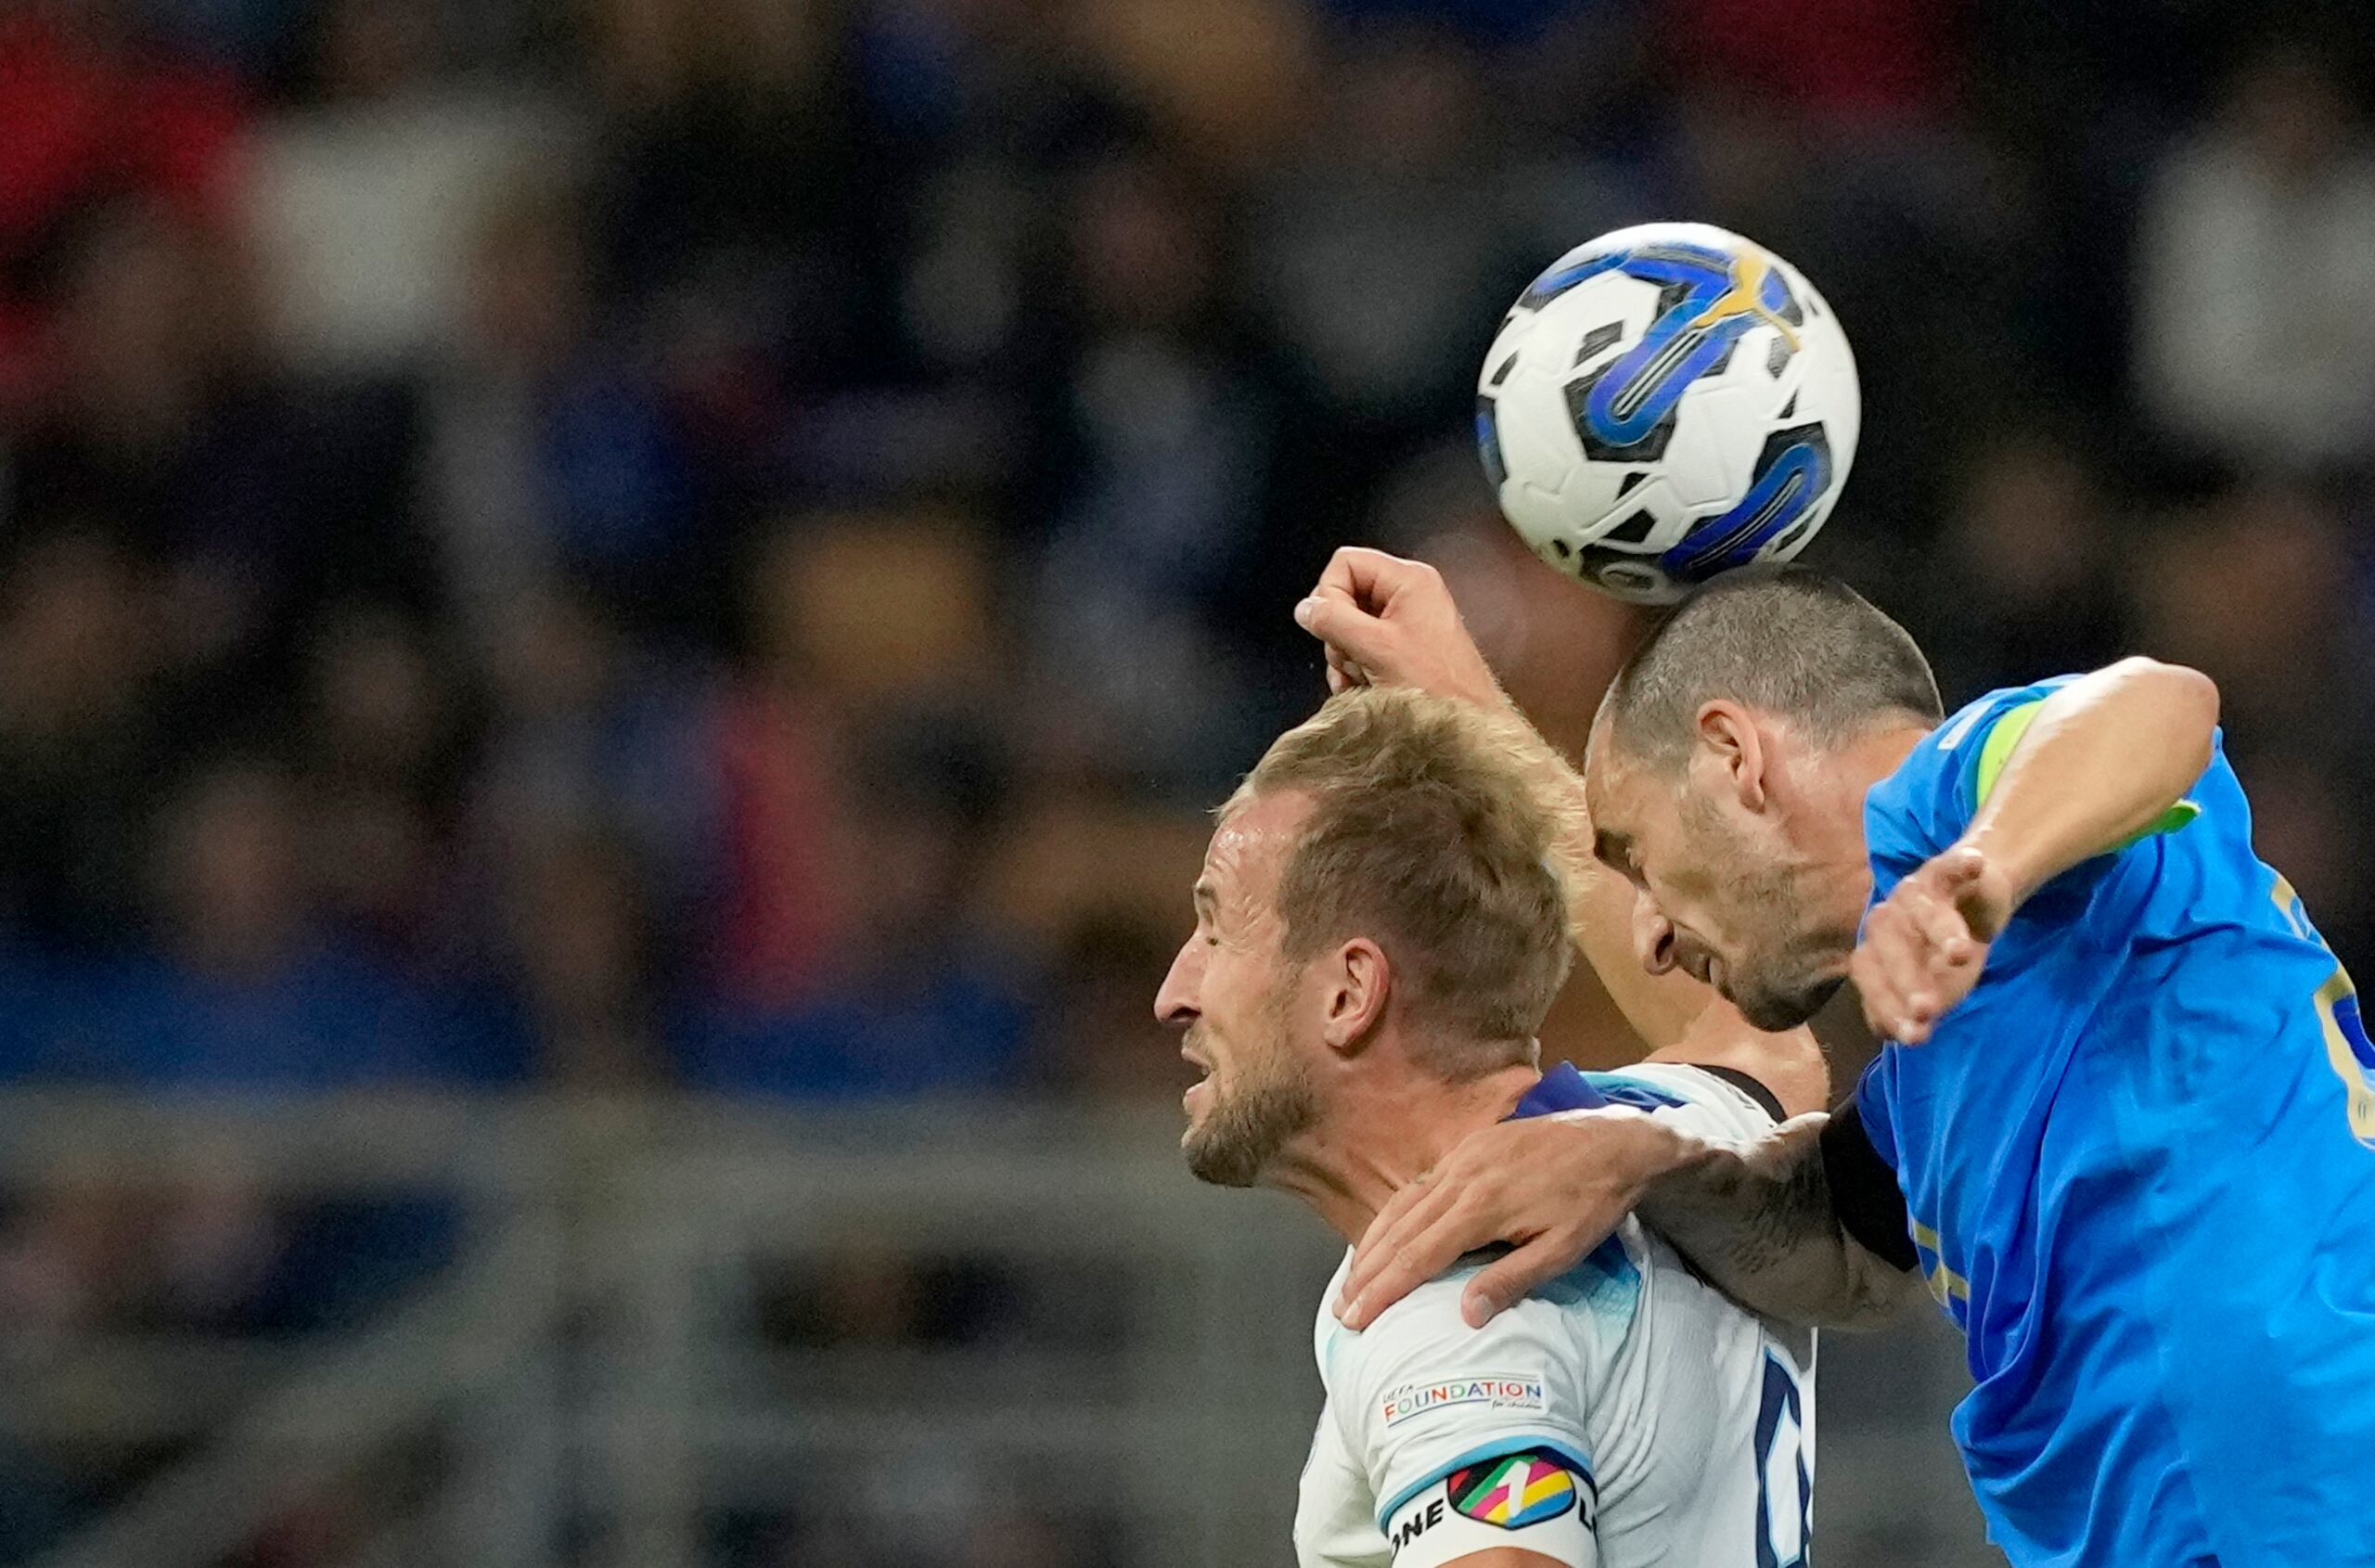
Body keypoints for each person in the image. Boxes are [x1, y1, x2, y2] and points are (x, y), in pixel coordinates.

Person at [1303, 548, 2375, 1568]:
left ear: (1734, 758)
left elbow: (2160, 704)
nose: (1651, 934)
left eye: (1636, 852)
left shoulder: (1957, 790)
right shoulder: (1933, 1088)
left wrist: (1976, 872)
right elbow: (1831, 1248)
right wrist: (1636, 1166)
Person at [1154, 684, 1826, 1568]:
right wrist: (1465, 699)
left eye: (1214, 931)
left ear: (1349, 994)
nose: (1174, 994)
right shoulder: (1680, 1134)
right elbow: (1768, 1043)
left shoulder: (1464, 1307)